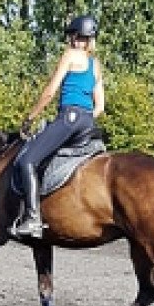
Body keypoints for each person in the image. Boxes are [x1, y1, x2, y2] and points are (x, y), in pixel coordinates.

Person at [13, 14, 105, 238]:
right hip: (87, 122)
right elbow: (100, 106)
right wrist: (83, 118)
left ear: (74, 36)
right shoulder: (95, 64)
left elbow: (50, 91)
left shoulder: (70, 55)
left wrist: (31, 117)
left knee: (26, 160)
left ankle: (33, 218)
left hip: (69, 117)